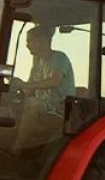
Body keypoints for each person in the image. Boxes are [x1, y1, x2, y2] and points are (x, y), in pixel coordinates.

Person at [7, 24, 75, 155]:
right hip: (44, 105)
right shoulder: (37, 65)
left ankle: (17, 148)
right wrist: (14, 92)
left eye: (29, 41)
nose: (27, 45)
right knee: (8, 106)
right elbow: (29, 90)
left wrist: (25, 85)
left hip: (60, 108)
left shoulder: (60, 58)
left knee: (33, 104)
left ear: (42, 41)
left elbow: (55, 81)